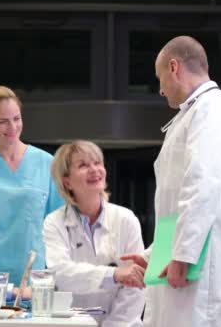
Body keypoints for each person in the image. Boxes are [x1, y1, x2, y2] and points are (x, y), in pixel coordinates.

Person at [122, 35, 221, 326]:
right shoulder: (193, 113)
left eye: (160, 79)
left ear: (174, 67)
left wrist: (183, 255)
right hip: (189, 263)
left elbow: (203, 184)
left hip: (207, 275)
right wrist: (156, 253)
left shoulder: (213, 108)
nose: (160, 90)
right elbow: (178, 205)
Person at [0, 85, 64, 286]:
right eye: (3, 122)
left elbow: (57, 224)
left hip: (33, 273)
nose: (13, 127)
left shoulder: (47, 163)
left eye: (17, 119)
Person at [44, 140, 145, 327]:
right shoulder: (54, 222)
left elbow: (136, 287)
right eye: (83, 165)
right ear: (67, 181)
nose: (94, 170)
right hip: (72, 323)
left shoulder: (126, 218)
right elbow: (61, 274)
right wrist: (114, 274)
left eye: (98, 163)